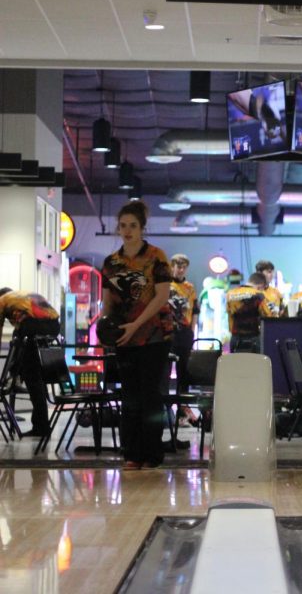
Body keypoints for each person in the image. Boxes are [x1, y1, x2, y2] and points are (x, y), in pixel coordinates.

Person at [101, 200, 175, 470]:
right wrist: (105, 328)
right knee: (130, 396)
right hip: (124, 336)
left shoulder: (157, 256)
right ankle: (131, 454)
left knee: (150, 395)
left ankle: (152, 453)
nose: (127, 230)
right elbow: (107, 301)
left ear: (142, 228)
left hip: (155, 335)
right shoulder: (111, 262)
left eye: (133, 225)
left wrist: (137, 324)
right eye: (123, 226)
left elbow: (162, 297)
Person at [0, 288, 60, 437]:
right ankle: (40, 424)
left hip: (34, 327)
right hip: (54, 326)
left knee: (32, 377)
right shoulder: (21, 296)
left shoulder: (2, 301)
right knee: (36, 378)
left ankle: (15, 377)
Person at [168, 254, 199, 426]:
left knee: (183, 373)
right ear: (172, 267)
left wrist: (192, 332)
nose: (180, 269)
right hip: (168, 333)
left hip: (185, 333)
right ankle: (165, 412)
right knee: (165, 371)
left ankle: (182, 411)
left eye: (183, 267)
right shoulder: (166, 285)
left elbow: (195, 311)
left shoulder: (190, 288)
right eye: (178, 266)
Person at [225, 272, 276, 353]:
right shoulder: (258, 294)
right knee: (254, 364)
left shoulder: (230, 294)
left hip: (235, 338)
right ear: (260, 286)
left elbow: (228, 312)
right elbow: (268, 315)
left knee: (235, 364)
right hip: (253, 338)